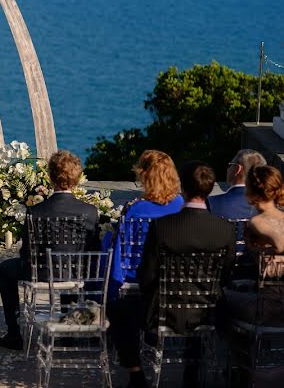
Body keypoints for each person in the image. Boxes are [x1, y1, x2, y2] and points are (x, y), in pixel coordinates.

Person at [112, 161, 236, 388]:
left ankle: (137, 375)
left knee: (119, 310)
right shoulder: (225, 229)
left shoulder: (162, 226)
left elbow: (147, 275)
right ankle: (193, 370)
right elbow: (226, 275)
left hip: (165, 311)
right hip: (207, 312)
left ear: (184, 188)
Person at [0, 150, 100, 350]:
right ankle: (69, 332)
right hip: (76, 273)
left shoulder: (36, 211)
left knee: (5, 270)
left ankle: (14, 333)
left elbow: (26, 253)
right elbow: (94, 250)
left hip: (40, 272)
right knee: (70, 263)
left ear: (50, 177)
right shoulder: (90, 211)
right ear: (77, 178)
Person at [104, 150, 185, 299]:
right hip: (174, 273)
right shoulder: (181, 206)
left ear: (145, 176)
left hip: (136, 272)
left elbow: (122, 251)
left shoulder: (136, 210)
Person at [223, 166, 284, 326]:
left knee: (219, 297)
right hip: (274, 302)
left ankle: (235, 350)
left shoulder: (255, 223)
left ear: (250, 190)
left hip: (268, 307)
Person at [208, 149, 267, 220]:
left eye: (230, 165)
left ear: (238, 169)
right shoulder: (271, 207)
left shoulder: (211, 203)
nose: (228, 169)